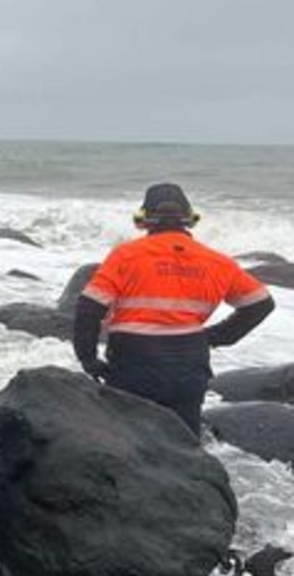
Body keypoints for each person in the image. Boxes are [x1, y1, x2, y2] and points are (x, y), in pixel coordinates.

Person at [73, 183, 275, 435]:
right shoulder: (218, 261)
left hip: (133, 365)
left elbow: (89, 308)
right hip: (189, 366)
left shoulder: (126, 256)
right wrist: (216, 337)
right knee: (185, 445)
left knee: (128, 444)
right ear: (189, 219)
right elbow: (261, 304)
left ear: (144, 219)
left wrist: (88, 358)